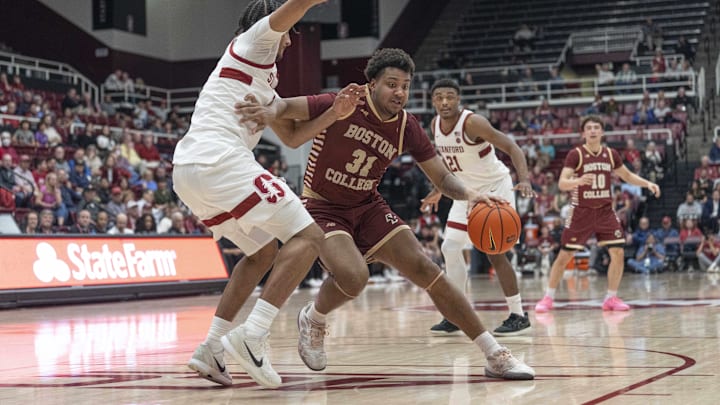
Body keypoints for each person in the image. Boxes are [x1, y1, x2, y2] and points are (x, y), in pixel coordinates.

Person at [236, 48, 535, 380]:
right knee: (354, 276)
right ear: (372, 83)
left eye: (406, 85)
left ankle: (494, 353)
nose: (400, 93)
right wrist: (268, 109)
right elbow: (286, 107)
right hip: (322, 206)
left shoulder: (407, 125)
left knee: (427, 268)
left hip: (368, 205)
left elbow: (441, 177)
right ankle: (314, 318)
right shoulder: (343, 101)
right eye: (392, 84)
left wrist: (470, 193)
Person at [171, 0, 331, 389]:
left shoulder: (263, 74)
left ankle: (211, 348)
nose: (292, 42)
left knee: (261, 253)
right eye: (291, 32)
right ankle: (254, 333)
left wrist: (332, 116)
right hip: (220, 161)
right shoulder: (254, 41)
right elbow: (294, 7)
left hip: (190, 170)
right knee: (310, 237)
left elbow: (291, 135)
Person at [419, 78, 534, 336]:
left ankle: (518, 314)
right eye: (439, 97)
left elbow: (512, 147)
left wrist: (524, 179)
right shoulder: (435, 124)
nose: (445, 102)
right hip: (464, 192)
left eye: (450, 96)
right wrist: (438, 190)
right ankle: (455, 315)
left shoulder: (473, 122)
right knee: (449, 247)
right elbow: (451, 163)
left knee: (494, 252)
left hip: (495, 189)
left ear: (459, 99)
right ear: (433, 101)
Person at [534, 115, 660, 313]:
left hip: (605, 212)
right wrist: (579, 181)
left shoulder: (610, 154)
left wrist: (648, 183)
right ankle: (548, 298)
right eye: (589, 128)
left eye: (596, 127)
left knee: (617, 252)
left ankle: (611, 298)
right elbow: (562, 183)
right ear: (583, 133)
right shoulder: (575, 155)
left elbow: (626, 175)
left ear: (602, 132)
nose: (593, 130)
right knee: (565, 255)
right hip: (581, 211)